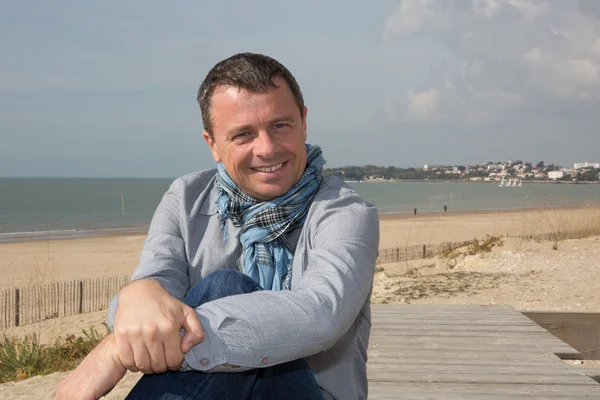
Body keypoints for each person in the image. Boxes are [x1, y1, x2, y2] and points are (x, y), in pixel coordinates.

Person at [55, 53, 379, 400]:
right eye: (243, 134)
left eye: (280, 125)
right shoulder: (186, 198)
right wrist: (138, 294)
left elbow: (320, 313)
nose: (267, 148)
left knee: (228, 286)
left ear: (303, 121)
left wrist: (119, 350)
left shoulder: (344, 212)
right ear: (212, 144)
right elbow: (148, 300)